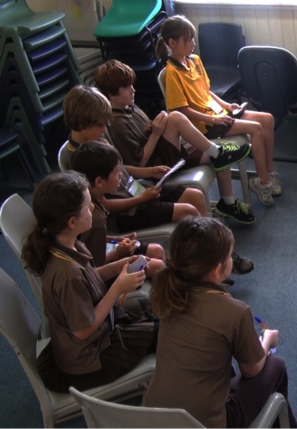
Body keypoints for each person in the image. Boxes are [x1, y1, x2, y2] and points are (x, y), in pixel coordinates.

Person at [62, 85, 255, 276]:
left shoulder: (98, 139)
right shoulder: (78, 159)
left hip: (137, 191)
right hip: (125, 211)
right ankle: (213, 263)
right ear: (82, 124)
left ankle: (216, 255)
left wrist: (148, 171)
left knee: (195, 196)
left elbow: (118, 167)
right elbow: (103, 206)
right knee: (189, 211)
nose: (105, 129)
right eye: (101, 125)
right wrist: (142, 198)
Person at [143, 217, 297, 429]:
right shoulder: (235, 311)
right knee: (275, 366)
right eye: (230, 256)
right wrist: (267, 342)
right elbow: (252, 369)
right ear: (217, 270)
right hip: (207, 425)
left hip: (154, 418)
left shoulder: (168, 295)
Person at [21, 171, 157, 393]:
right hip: (91, 357)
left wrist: (120, 265)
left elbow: (91, 276)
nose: (93, 208)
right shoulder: (66, 274)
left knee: (157, 306)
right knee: (164, 333)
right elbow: (82, 331)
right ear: (72, 221)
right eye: (87, 206)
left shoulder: (67, 244)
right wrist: (118, 287)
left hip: (99, 334)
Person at [95, 59, 255, 224]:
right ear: (112, 94)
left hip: (164, 152)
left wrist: (157, 125)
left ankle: (228, 202)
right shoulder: (117, 124)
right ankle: (216, 152)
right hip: (155, 165)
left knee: (220, 157)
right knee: (176, 118)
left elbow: (145, 134)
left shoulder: (130, 107)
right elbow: (140, 162)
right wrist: (157, 133)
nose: (133, 90)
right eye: (127, 87)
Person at [156, 15, 282, 207]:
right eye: (188, 39)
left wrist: (227, 106)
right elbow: (182, 110)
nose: (193, 43)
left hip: (218, 115)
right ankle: (262, 183)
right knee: (256, 128)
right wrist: (214, 120)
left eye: (193, 38)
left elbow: (206, 92)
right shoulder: (172, 73)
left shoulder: (195, 61)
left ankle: (270, 173)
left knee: (268, 119)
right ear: (172, 43)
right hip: (205, 124)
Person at [72, 141, 166, 274]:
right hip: (96, 275)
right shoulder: (95, 218)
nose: (121, 175)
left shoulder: (91, 197)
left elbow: (85, 241)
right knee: (157, 266)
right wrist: (117, 253)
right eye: (116, 173)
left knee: (157, 250)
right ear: (99, 181)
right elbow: (93, 268)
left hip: (102, 252)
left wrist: (115, 239)